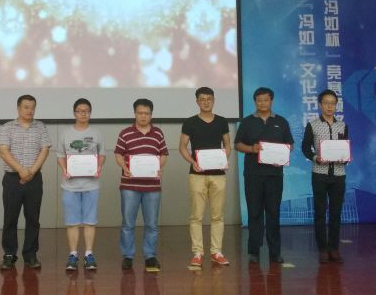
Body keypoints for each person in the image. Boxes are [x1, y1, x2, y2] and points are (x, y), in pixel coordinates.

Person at [234, 87, 293, 265]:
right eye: (259, 100)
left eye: (266, 100)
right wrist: (252, 149)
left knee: (273, 213)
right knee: (254, 213)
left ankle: (275, 252)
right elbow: (237, 144)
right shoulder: (247, 122)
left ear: (271, 101)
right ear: (255, 102)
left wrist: (282, 155)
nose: (262, 103)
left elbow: (290, 144)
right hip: (253, 174)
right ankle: (254, 251)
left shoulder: (281, 122)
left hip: (274, 175)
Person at [179, 87, 231, 268]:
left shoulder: (222, 121)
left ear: (214, 100)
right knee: (196, 216)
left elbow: (227, 145)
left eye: (209, 99)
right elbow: (182, 146)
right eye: (202, 99)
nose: (206, 102)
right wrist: (192, 161)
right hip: (197, 175)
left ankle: (216, 252)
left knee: (218, 215)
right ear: (197, 101)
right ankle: (197, 253)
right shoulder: (190, 122)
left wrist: (224, 159)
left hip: (218, 175)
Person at [114, 98, 168, 272]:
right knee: (128, 223)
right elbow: (118, 154)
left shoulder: (158, 133)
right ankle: (127, 256)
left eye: (147, 113)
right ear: (135, 114)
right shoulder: (125, 133)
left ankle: (150, 255)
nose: (143, 116)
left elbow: (164, 154)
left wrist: (159, 167)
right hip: (129, 186)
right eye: (140, 113)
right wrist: (124, 168)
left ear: (151, 115)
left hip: (152, 187)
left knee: (151, 224)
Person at [0, 95, 51, 270]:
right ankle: (9, 254)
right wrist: (21, 170)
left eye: (33, 107)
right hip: (12, 179)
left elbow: (44, 150)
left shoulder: (41, 127)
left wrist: (31, 172)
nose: (30, 110)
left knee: (33, 219)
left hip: (34, 179)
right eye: (26, 107)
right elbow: (4, 151)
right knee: (10, 218)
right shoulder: (8, 127)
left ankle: (30, 254)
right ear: (18, 108)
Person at [57, 98, 105, 271]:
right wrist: (64, 169)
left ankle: (89, 255)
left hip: (91, 185)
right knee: (72, 222)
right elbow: (60, 155)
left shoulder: (97, 133)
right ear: (74, 113)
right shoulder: (65, 133)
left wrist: (98, 167)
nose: (83, 113)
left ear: (90, 113)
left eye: (86, 111)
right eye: (79, 111)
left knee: (90, 222)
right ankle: (73, 255)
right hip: (70, 186)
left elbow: (102, 154)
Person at [302, 89, 349, 263]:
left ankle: (334, 248)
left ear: (336, 105)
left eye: (333, 103)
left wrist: (345, 157)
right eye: (326, 103)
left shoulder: (342, 125)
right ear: (320, 105)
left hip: (339, 174)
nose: (330, 106)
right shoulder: (313, 125)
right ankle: (322, 249)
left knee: (336, 213)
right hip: (319, 174)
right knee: (320, 212)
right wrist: (315, 157)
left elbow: (345, 147)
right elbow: (305, 147)